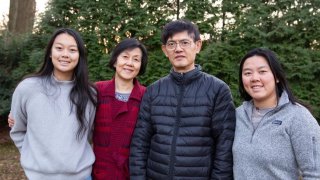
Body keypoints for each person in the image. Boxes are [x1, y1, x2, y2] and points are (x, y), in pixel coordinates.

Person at [129, 19, 236, 179]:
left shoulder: (218, 90)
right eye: (172, 44)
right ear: (165, 50)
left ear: (197, 45)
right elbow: (140, 142)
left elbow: (225, 146)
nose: (178, 49)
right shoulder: (153, 90)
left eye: (185, 42)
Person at [9, 28, 97, 180]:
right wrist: (33, 157)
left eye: (72, 50)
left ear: (79, 56)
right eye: (59, 48)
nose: (65, 54)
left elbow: (89, 134)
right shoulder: (28, 88)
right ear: (50, 53)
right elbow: (17, 130)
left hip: (81, 176)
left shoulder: (89, 94)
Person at [232, 48, 320, 179]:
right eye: (247, 73)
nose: (255, 78)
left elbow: (315, 173)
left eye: (262, 71)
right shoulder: (237, 115)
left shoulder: (298, 117)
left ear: (277, 77)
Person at [92, 38, 148, 180]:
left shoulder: (146, 96)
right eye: (125, 57)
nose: (129, 63)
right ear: (115, 60)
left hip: (131, 173)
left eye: (136, 59)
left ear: (141, 65)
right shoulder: (97, 90)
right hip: (96, 172)